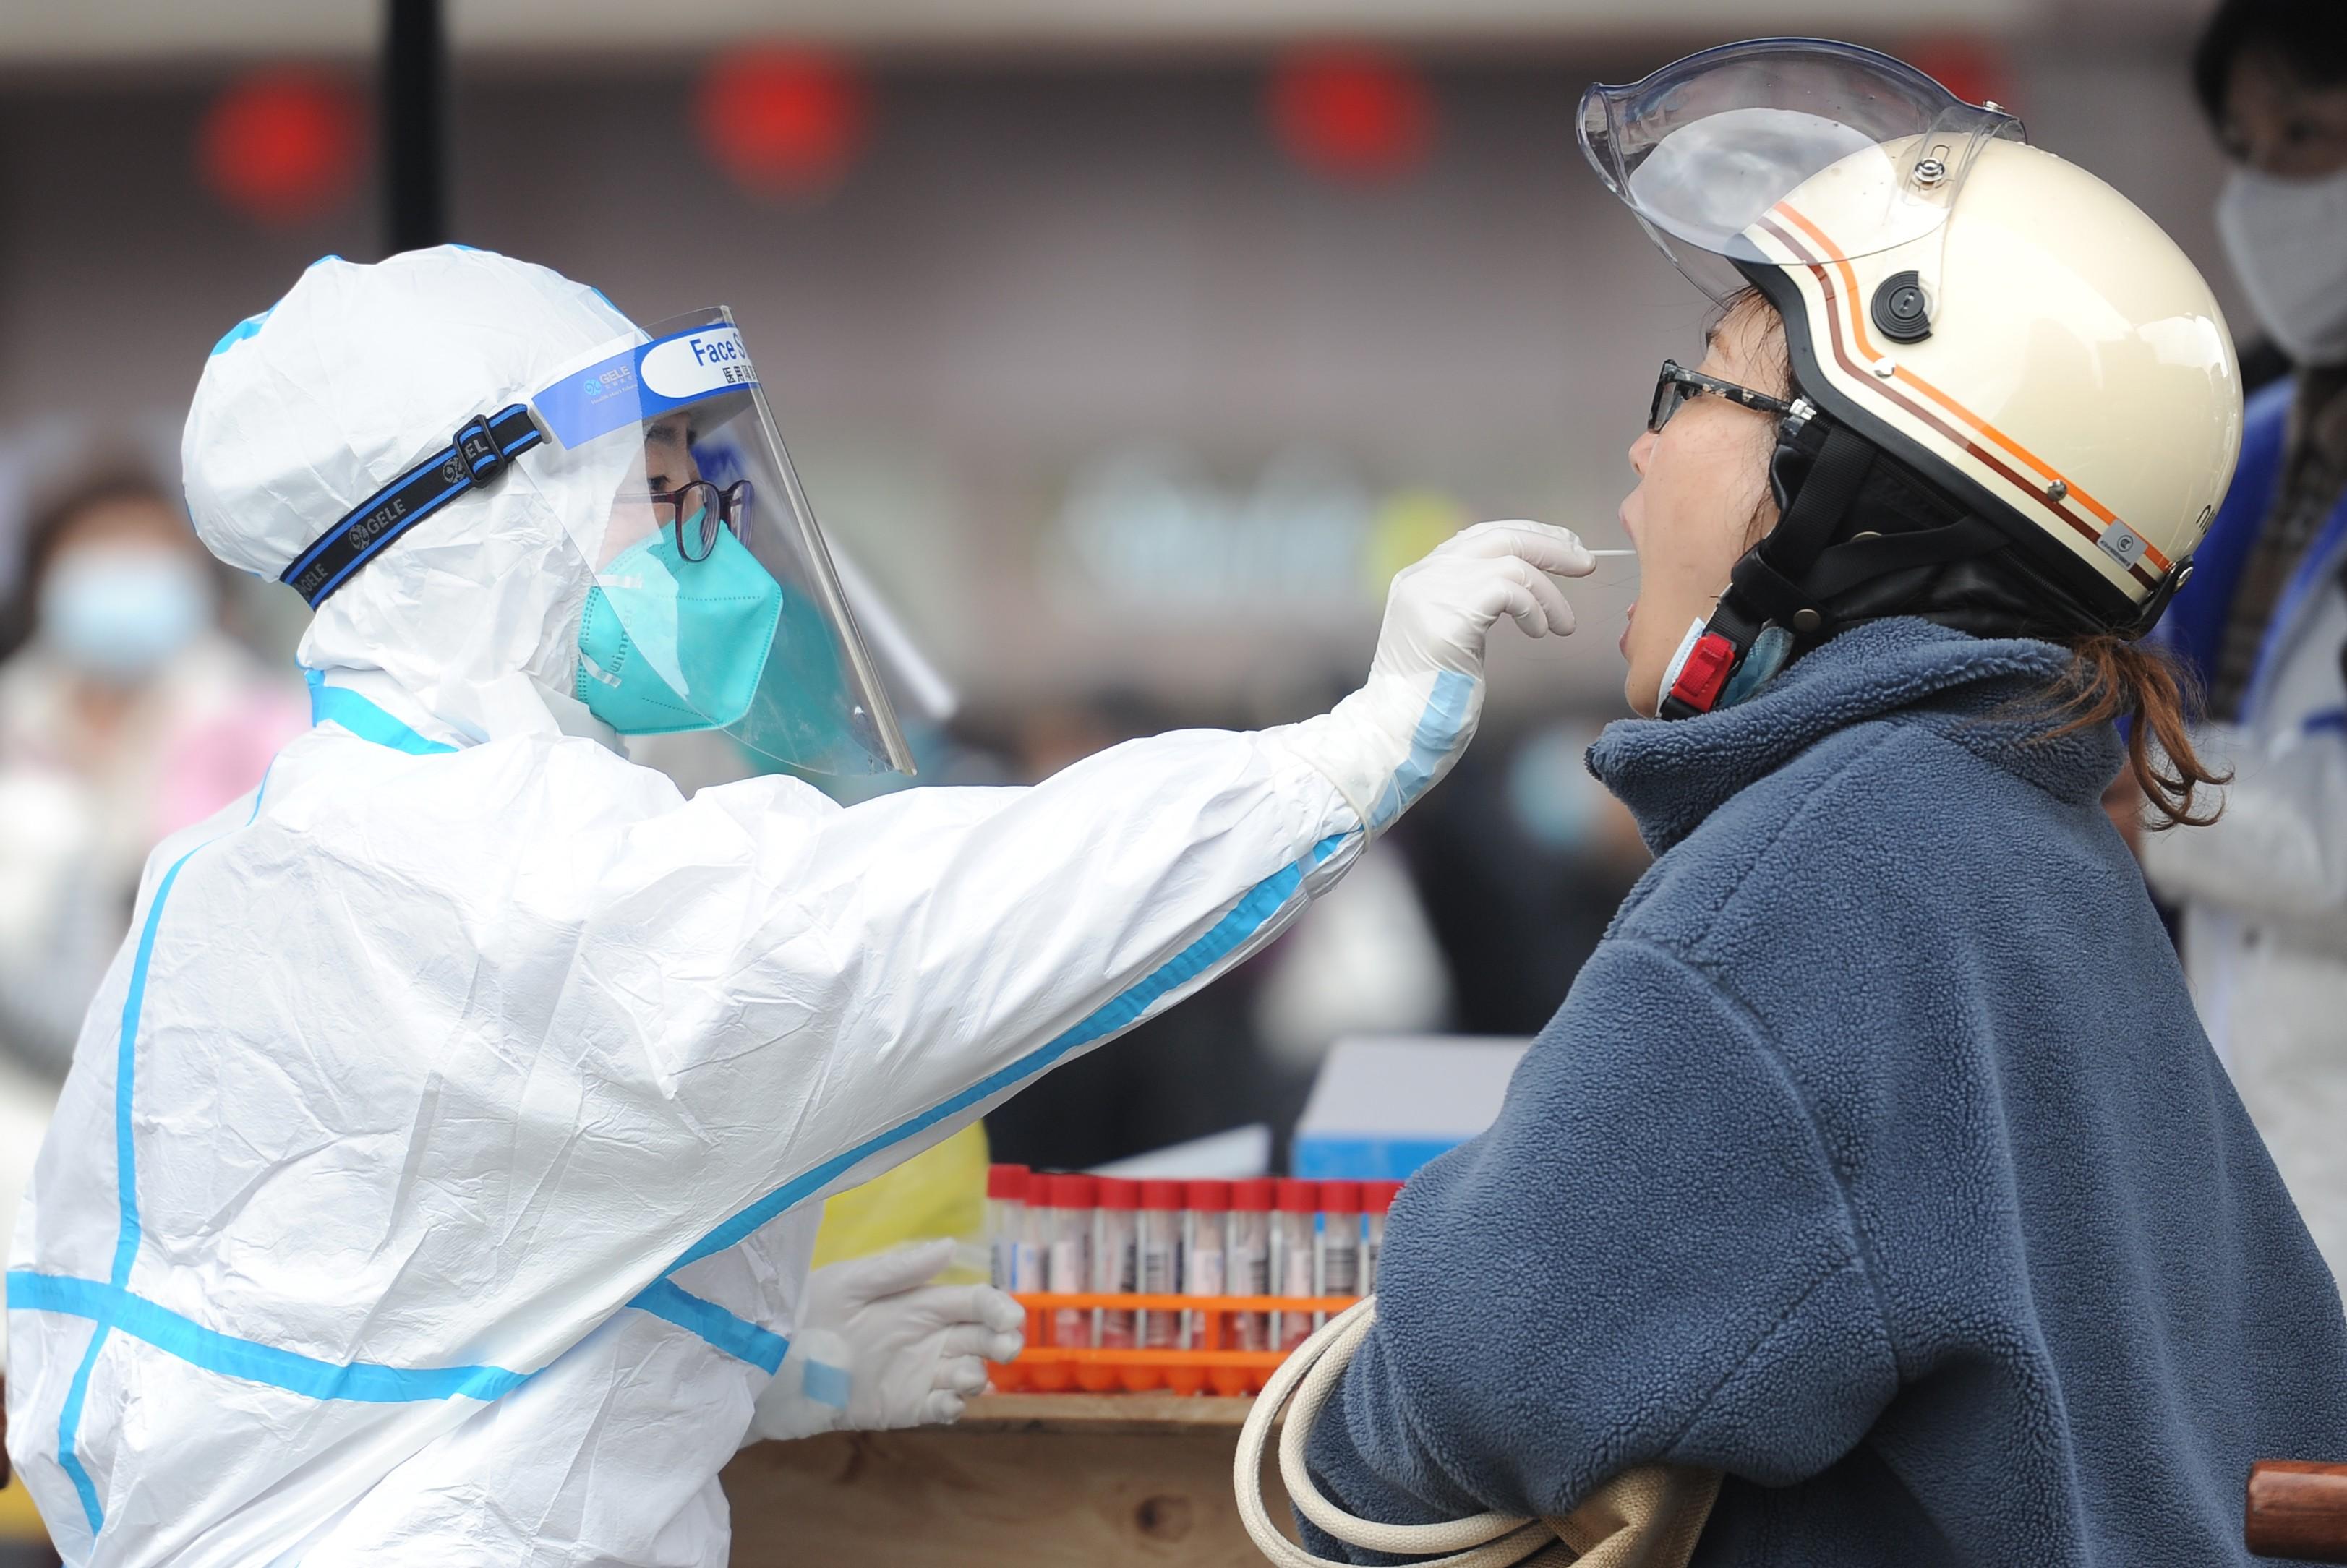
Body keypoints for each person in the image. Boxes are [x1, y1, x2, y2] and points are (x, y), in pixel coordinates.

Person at [0, 246, 1591, 1567]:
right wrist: (1344, 756)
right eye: (661, 483)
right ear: (499, 522)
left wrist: (726, 1365)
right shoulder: (503, 877)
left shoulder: (254, 857)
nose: (716, 532)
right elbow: (907, 929)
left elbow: (348, 1298)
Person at [1294, 39, 2347, 1567]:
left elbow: (1449, 1394)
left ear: (1841, 481)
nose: (1643, 456)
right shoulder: (1998, 819)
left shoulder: (1822, 877)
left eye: (1696, 391)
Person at [0, 472, 302, 1374]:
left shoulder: (267, 730)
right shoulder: (15, 722)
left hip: (194, 1142)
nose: (124, 575)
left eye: (150, 549)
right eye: (98, 550)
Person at [2136, 0, 2347, 1284]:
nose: (2265, 187)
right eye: (2244, 144)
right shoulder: (2256, 445)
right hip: (2265, 1163)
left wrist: (2161, 795)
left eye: (2309, 136)